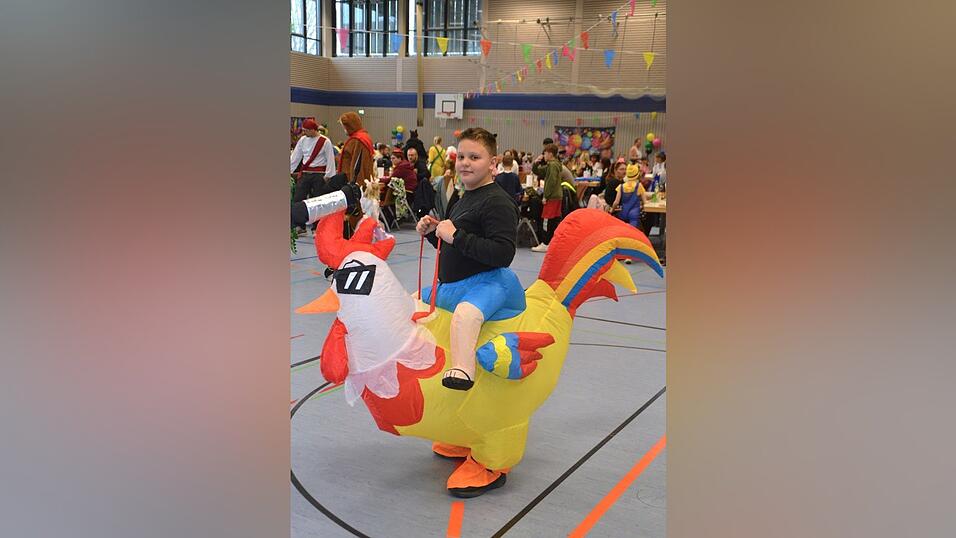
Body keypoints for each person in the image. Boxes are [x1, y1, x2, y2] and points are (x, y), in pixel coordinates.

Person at [416, 127, 521, 391]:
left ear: (492, 163)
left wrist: (456, 236)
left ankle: (463, 369)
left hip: (486, 283)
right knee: (413, 302)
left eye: (474, 157)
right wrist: (434, 234)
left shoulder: (498, 202)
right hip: (453, 285)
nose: (465, 163)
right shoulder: (463, 198)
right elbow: (455, 246)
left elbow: (503, 254)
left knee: (466, 315)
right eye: (461, 157)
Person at [290, 119, 337, 207]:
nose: (304, 133)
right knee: (298, 198)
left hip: (319, 175)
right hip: (305, 173)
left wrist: (328, 175)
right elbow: (296, 156)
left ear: (312, 130)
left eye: (305, 130)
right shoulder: (303, 140)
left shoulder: (325, 141)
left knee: (318, 200)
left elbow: (330, 159)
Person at [530, 143, 563, 253]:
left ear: (550, 154)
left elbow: (551, 182)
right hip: (556, 196)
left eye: (545, 153)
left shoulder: (552, 166)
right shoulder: (553, 165)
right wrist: (536, 162)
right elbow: (538, 171)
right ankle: (551, 242)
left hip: (552, 197)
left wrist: (546, 196)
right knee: (553, 220)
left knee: (547, 220)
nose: (543, 155)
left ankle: (545, 243)